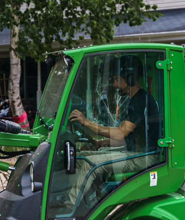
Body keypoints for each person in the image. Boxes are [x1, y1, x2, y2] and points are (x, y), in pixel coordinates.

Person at [62, 59, 161, 211]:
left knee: (89, 162)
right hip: (136, 152)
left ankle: (69, 210)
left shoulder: (141, 100)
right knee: (82, 156)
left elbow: (121, 133)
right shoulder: (135, 100)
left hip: (145, 157)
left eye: (116, 79)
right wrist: (102, 143)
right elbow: (130, 138)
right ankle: (90, 202)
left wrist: (87, 123)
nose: (114, 85)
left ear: (129, 77)